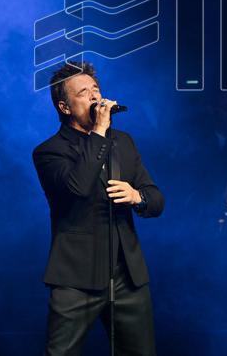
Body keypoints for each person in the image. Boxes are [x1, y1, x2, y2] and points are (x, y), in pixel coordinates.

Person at [32, 61, 164, 356]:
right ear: (65, 107)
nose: (94, 97)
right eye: (83, 93)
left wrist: (137, 196)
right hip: (76, 278)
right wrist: (100, 132)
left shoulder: (124, 142)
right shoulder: (49, 151)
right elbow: (78, 187)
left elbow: (157, 200)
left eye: (96, 89)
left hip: (127, 276)